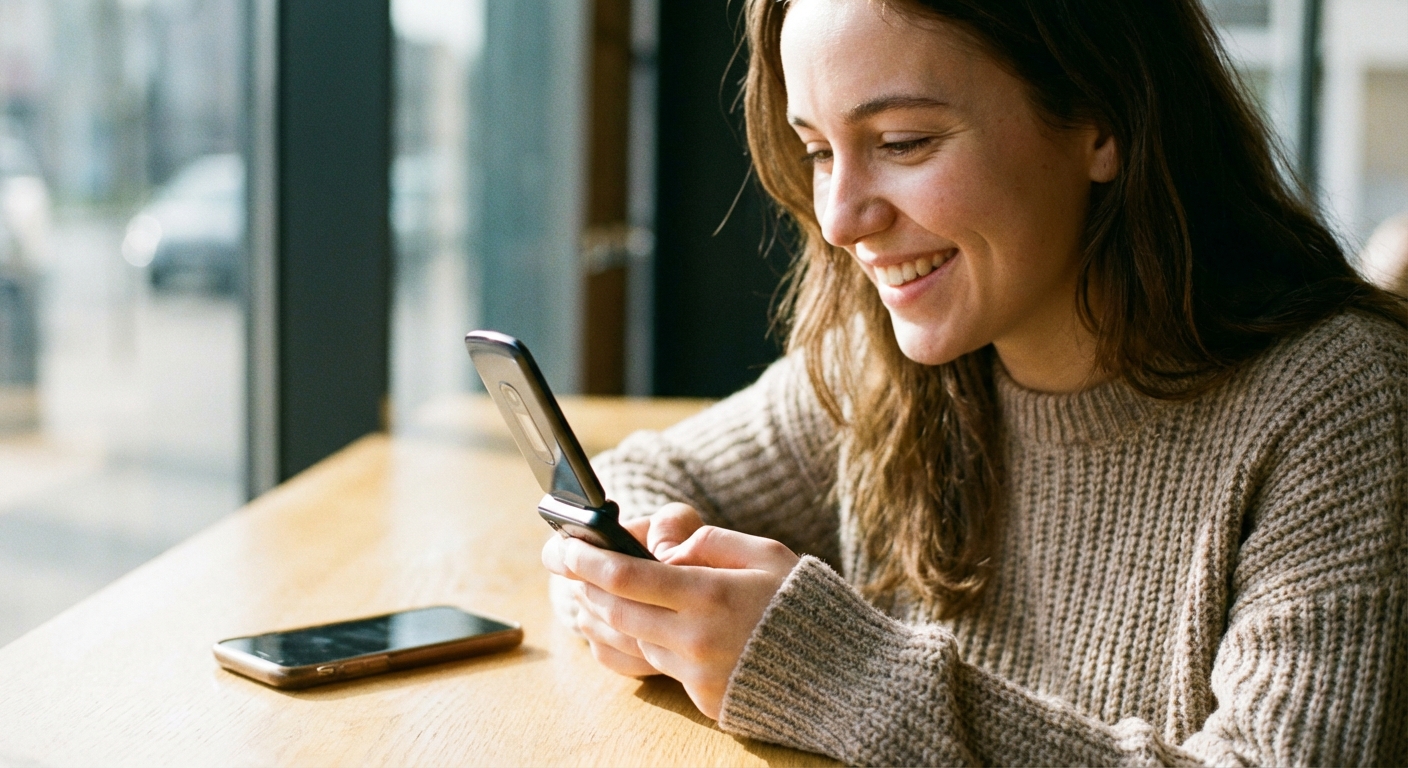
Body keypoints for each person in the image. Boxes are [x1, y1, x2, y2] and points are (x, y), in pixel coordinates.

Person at [543, 0, 1408, 764]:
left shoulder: (1342, 402)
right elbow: (644, 476)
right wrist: (640, 591)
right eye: (817, 150)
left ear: (1102, 121)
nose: (842, 218)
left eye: (902, 142)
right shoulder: (881, 364)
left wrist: (838, 674)